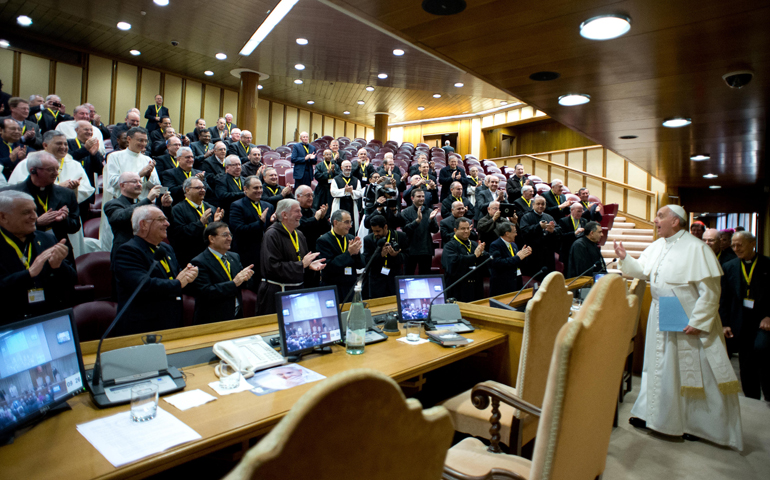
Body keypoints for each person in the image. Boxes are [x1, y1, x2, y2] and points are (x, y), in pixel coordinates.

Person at [614, 204, 742, 449]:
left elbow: (711, 291)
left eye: (660, 216)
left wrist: (698, 321)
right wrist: (625, 258)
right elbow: (643, 272)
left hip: (685, 311)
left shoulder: (697, 248)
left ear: (676, 221)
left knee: (687, 369)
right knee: (660, 364)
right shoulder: (657, 245)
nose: (654, 220)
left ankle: (694, 424)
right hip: (662, 308)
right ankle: (656, 416)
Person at [113, 205, 198, 336]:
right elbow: (143, 285)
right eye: (161, 219)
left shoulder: (165, 248)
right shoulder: (128, 251)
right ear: (144, 225)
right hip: (144, 328)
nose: (167, 224)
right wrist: (178, 283)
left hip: (172, 320)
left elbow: (176, 276)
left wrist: (188, 275)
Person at [0, 190, 76, 324]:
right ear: (3, 217)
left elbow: (71, 281)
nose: (35, 217)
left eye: (34, 211)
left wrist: (59, 266)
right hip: (9, 323)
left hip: (48, 318)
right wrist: (29, 274)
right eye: (26, 212)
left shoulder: (47, 239)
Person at [719, 231, 770, 400]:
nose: (735, 248)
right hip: (741, 321)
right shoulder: (729, 266)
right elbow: (724, 299)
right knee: (745, 362)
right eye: (733, 245)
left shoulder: (767, 264)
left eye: (739, 244)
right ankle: (751, 397)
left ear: (752, 243)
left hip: (763, 321)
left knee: (762, 353)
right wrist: (725, 323)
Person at [6, 152, 82, 261]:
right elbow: (6, 227)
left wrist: (64, 219)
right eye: (51, 170)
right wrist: (37, 223)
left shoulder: (66, 193)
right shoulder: (12, 194)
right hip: (25, 251)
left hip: (60, 249)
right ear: (33, 170)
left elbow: (75, 226)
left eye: (57, 169)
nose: (56, 173)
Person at [256, 199, 325, 315]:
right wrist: (301, 265)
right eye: (297, 211)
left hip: (297, 290)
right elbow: (272, 267)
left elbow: (301, 261)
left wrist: (308, 266)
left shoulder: (299, 234)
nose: (301, 215)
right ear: (284, 215)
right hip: (276, 293)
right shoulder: (272, 235)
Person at [102, 126, 161, 250]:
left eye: (145, 141)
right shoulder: (115, 156)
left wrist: (148, 176)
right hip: (123, 206)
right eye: (140, 140)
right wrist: (140, 174)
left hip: (143, 206)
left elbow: (156, 184)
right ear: (129, 139)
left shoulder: (147, 159)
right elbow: (113, 181)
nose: (143, 144)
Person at [190, 222, 254, 325]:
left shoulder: (234, 257)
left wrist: (247, 278)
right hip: (213, 320)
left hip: (236, 315)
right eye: (225, 235)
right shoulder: (199, 262)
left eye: (230, 235)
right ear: (211, 238)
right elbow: (206, 292)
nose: (229, 238)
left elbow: (245, 284)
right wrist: (234, 283)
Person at [104, 172, 171, 262]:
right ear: (122, 185)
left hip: (147, 251)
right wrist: (147, 199)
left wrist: (166, 207)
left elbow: (165, 224)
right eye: (134, 182)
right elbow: (120, 218)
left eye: (140, 182)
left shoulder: (142, 204)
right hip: (125, 254)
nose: (139, 185)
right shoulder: (112, 204)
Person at [169, 177, 223, 268]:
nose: (202, 190)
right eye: (198, 188)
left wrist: (216, 223)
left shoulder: (211, 208)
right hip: (191, 256)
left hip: (212, 254)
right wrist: (200, 223)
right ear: (187, 190)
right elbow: (179, 234)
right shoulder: (177, 210)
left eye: (203, 188)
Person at [229, 176, 273, 285]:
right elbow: (238, 229)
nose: (259, 191)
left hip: (265, 252)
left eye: (260, 187)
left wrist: (272, 223)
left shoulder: (268, 206)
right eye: (255, 188)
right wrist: (260, 223)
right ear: (245, 189)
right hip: (247, 253)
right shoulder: (237, 206)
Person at [316, 209, 363, 302]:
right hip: (333, 286)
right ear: (335, 222)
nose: (350, 226)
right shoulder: (324, 240)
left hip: (350, 286)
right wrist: (349, 253)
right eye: (346, 222)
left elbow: (361, 265)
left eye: (351, 222)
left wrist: (356, 254)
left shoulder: (351, 238)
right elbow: (329, 266)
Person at [442, 217, 489, 302]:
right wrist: (474, 256)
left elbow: (487, 261)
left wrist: (481, 254)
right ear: (455, 230)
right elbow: (453, 263)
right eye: (463, 229)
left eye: (468, 228)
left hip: (476, 286)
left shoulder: (474, 244)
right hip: (458, 288)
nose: (466, 231)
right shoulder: (449, 246)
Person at [363, 214, 409, 298]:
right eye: (373, 231)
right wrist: (380, 255)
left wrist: (395, 256)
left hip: (394, 278)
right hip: (376, 281)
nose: (375, 234)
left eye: (378, 231)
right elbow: (366, 261)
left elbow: (407, 257)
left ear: (385, 227)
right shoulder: (368, 239)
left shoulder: (400, 236)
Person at [518, 196, 561, 276]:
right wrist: (539, 226)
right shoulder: (526, 217)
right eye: (538, 204)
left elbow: (559, 230)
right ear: (533, 205)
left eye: (543, 204)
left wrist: (553, 231)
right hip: (533, 254)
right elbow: (524, 231)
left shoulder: (549, 217)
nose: (540, 206)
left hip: (548, 254)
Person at [296, 185, 329, 287]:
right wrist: (315, 219)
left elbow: (326, 229)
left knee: (314, 282)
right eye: (307, 195)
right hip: (299, 251)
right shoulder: (295, 211)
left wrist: (322, 218)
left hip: (314, 250)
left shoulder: (314, 211)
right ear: (298, 197)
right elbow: (302, 227)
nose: (310, 198)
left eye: (312, 195)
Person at [402, 189, 439, 276]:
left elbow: (435, 230)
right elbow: (405, 229)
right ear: (412, 198)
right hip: (410, 250)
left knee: (425, 276)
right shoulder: (405, 212)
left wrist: (431, 220)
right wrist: (417, 221)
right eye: (418, 196)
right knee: (408, 275)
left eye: (423, 196)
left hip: (426, 249)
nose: (421, 198)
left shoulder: (429, 211)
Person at [489, 222, 532, 296]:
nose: (516, 234)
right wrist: (518, 257)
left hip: (516, 282)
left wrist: (524, 255)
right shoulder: (495, 245)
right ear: (507, 233)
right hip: (502, 286)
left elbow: (518, 262)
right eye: (514, 232)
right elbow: (498, 263)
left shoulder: (514, 245)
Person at [330, 160, 364, 233]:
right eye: (346, 166)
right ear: (342, 168)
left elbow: (360, 193)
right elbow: (333, 192)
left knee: (352, 228)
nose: (348, 168)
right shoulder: (335, 179)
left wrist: (352, 191)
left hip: (351, 204)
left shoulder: (356, 180)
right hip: (339, 203)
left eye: (350, 166)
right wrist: (344, 190)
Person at [214, 155, 245, 224]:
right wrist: (244, 194)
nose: (238, 167)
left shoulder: (244, 180)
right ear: (227, 167)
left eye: (239, 164)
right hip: (229, 215)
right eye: (235, 165)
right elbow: (222, 195)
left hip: (243, 214)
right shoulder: (221, 180)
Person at [558, 202, 588, 271]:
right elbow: (561, 236)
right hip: (568, 251)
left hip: (580, 251)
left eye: (581, 211)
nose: (580, 213)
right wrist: (574, 233)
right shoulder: (563, 221)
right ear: (572, 210)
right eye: (578, 211)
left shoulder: (584, 221)